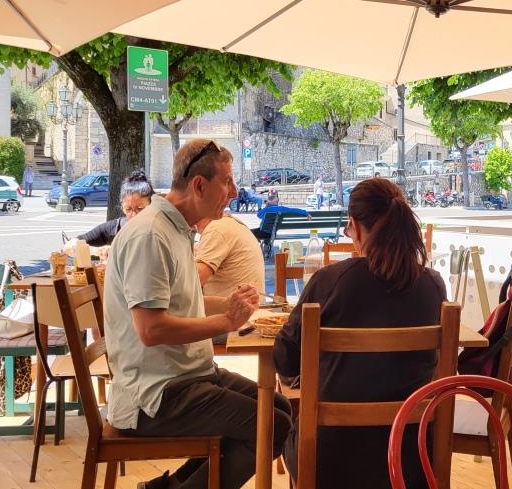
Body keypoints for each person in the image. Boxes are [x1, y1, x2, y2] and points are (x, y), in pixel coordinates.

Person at [105, 139, 291, 489]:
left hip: (186, 377)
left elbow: (183, 301)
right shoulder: (151, 235)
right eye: (227, 181)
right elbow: (151, 330)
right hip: (155, 396)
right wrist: (227, 322)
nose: (234, 192)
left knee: (280, 409)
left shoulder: (176, 229)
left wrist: (232, 303)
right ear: (199, 185)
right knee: (272, 425)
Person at [273, 177, 445, 489]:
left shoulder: (330, 281)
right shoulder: (433, 285)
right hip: (410, 459)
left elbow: (285, 360)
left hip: (331, 458)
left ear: (354, 225)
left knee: (284, 425)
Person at [65, 171, 154, 259]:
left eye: (140, 208)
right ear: (122, 207)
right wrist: (98, 251)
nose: (134, 215)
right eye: (128, 209)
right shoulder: (114, 228)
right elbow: (69, 247)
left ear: (152, 205)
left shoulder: (158, 230)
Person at [196, 214, 266, 300]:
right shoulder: (230, 223)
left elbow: (195, 281)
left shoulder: (216, 229)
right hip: (250, 305)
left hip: (238, 306)